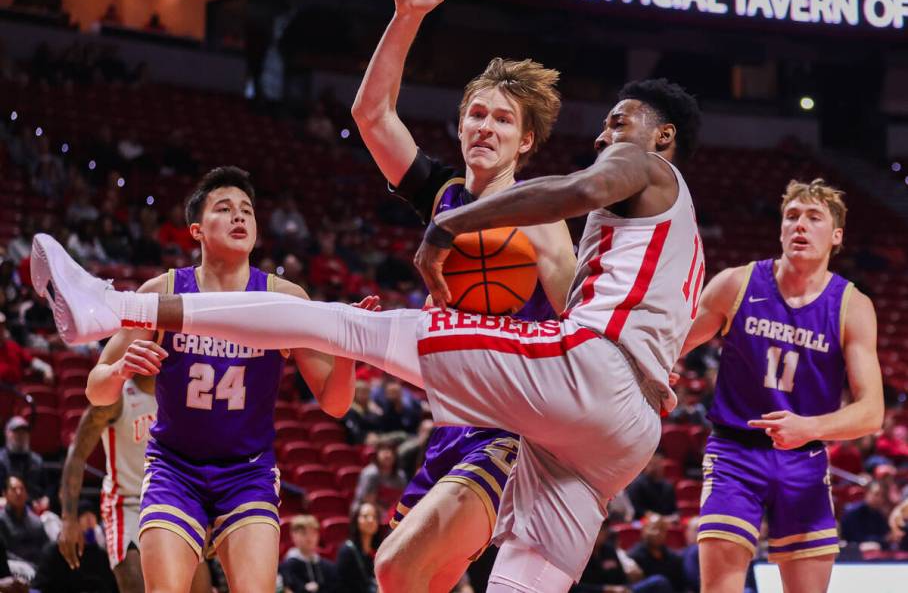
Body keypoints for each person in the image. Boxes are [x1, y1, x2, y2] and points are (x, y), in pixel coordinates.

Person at [32, 69, 704, 592]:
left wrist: (448, 228)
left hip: (583, 375)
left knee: (348, 326)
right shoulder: (678, 229)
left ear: (664, 135)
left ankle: (112, 308)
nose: (604, 134)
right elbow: (374, 117)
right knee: (442, 571)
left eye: (619, 121)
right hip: (622, 433)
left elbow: (581, 188)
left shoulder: (643, 165)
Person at [351, 0, 576, 591]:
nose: (486, 126)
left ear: (525, 141)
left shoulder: (540, 214)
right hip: (452, 425)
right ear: (459, 126)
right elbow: (371, 116)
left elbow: (581, 316)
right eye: (477, 113)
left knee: (397, 567)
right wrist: (405, 17)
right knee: (426, 577)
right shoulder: (443, 196)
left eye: (503, 119)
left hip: (513, 429)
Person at [51, 166, 369, 593]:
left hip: (248, 472)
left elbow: (334, 404)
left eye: (247, 210)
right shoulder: (162, 292)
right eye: (225, 208)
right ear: (196, 230)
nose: (240, 217)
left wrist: (349, 353)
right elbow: (96, 387)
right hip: (174, 469)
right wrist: (121, 368)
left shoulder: (284, 298)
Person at [680, 179, 883, 592]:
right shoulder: (736, 284)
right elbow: (670, 346)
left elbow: (871, 412)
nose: (800, 226)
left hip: (804, 458)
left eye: (813, 218)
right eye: (791, 217)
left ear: (836, 235)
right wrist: (657, 373)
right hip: (735, 452)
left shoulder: (852, 306)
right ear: (780, 229)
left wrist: (808, 428)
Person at [57, 376, 210, 593]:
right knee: (135, 583)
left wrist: (204, 511)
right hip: (126, 503)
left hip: (173, 501)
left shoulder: (179, 395)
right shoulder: (115, 396)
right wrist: (68, 518)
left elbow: (196, 456)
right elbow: (77, 454)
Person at [279, 515, 339, 593]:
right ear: (293, 535)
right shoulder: (287, 566)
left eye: (313, 533)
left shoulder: (327, 566)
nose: (309, 537)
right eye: (304, 533)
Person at [0, 476, 48, 568]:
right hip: (11, 568)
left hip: (37, 567)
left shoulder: (36, 521)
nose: (19, 493)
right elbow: (3, 553)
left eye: (22, 489)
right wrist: (25, 565)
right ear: (5, 494)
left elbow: (45, 547)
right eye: (14, 489)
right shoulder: (1, 520)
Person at [335, 502, 381, 593]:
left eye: (374, 517)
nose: (371, 520)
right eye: (365, 516)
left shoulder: (379, 550)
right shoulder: (346, 551)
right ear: (356, 520)